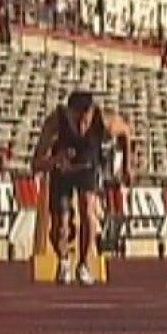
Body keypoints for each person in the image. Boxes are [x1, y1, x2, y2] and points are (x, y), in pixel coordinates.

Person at [29, 89, 134, 286]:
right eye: (76, 121)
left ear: (92, 113)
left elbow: (126, 132)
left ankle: (84, 264)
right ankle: (64, 260)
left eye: (85, 121)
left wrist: (127, 166)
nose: (81, 126)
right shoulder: (55, 121)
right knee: (61, 225)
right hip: (63, 171)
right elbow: (36, 163)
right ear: (68, 112)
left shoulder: (104, 121)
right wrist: (55, 159)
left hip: (88, 166)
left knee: (88, 211)